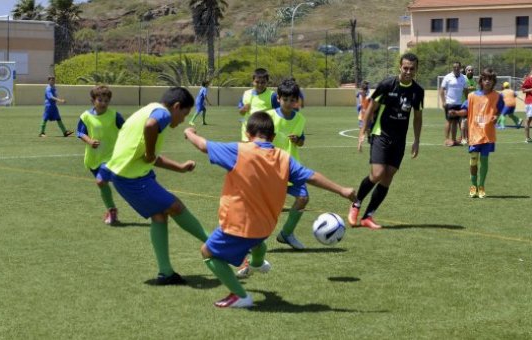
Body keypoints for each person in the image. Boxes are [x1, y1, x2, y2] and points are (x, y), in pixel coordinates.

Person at [184, 111, 355, 308]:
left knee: (208, 252)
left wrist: (189, 132)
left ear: (248, 134)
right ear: (273, 137)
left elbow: (203, 145)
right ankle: (257, 263)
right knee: (257, 243)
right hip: (266, 227)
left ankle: (239, 296)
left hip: (239, 226)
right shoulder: (284, 157)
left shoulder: (239, 150)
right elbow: (312, 176)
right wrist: (342, 190)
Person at [105, 87, 209, 285]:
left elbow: (147, 156)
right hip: (131, 178)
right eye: (184, 114)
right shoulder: (161, 114)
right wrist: (151, 154)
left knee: (159, 215)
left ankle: (166, 272)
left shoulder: (149, 109)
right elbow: (151, 129)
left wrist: (179, 168)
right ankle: (217, 245)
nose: (182, 121)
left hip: (129, 174)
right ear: (176, 107)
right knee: (175, 206)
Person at [348, 52, 424, 229]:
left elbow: (418, 117)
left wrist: (417, 140)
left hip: (400, 139)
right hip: (380, 133)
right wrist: (362, 133)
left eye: (412, 69)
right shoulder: (387, 84)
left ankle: (368, 216)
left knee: (388, 176)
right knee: (377, 174)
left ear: (416, 70)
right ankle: (356, 203)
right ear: (400, 67)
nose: (408, 72)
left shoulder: (417, 91)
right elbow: (370, 108)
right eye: (405, 68)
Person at [262, 79, 309, 250]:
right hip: (271, 168)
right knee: (268, 207)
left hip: (292, 167)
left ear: (297, 100)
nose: (289, 103)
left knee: (303, 198)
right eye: (285, 99)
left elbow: (302, 141)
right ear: (278, 98)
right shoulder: (269, 116)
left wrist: (298, 140)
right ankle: (253, 239)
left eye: (292, 100)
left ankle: (286, 234)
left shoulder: (300, 119)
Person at [76, 85, 125, 225]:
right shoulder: (85, 116)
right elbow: (80, 133)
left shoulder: (115, 115)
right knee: (102, 184)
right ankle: (111, 209)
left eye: (106, 101)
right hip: (94, 157)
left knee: (101, 181)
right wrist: (90, 141)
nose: (103, 103)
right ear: (93, 100)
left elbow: (126, 129)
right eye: (100, 100)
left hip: (111, 156)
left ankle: (112, 210)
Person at [453, 68, 503, 198]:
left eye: (490, 80)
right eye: (485, 79)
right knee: (474, 160)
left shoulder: (497, 96)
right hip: (474, 134)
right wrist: (457, 113)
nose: (487, 82)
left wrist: (497, 116)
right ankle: (473, 185)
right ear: (481, 80)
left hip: (488, 134)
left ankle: (481, 186)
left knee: (485, 161)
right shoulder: (472, 96)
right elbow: (465, 110)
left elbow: (500, 110)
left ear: (493, 82)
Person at [238, 68, 279, 141]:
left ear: (267, 82)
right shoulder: (246, 94)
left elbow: (279, 113)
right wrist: (243, 109)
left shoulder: (272, 96)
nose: (260, 85)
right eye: (257, 82)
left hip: (263, 133)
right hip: (248, 132)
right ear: (253, 81)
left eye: (263, 82)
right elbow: (241, 112)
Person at [439, 61, 467, 146]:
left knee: (455, 122)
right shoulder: (448, 77)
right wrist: (443, 102)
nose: (456, 68)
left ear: (460, 68)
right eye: (454, 67)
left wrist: (468, 101)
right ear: (452, 68)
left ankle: (454, 140)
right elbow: (441, 90)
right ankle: (447, 140)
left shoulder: (463, 78)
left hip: (459, 104)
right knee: (449, 121)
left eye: (458, 67)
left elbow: (466, 91)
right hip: (450, 103)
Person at [520, 66, 532, 143]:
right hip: (531, 102)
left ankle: (527, 138)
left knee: (528, 119)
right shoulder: (529, 80)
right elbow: (523, 90)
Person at [461, 65, 477, 144]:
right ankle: (463, 138)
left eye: (471, 70)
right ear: (466, 71)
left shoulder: (474, 81)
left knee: (470, 122)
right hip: (463, 103)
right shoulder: (463, 78)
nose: (470, 71)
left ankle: (468, 138)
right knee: (464, 121)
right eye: (469, 70)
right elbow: (463, 89)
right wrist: (469, 89)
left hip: (472, 104)